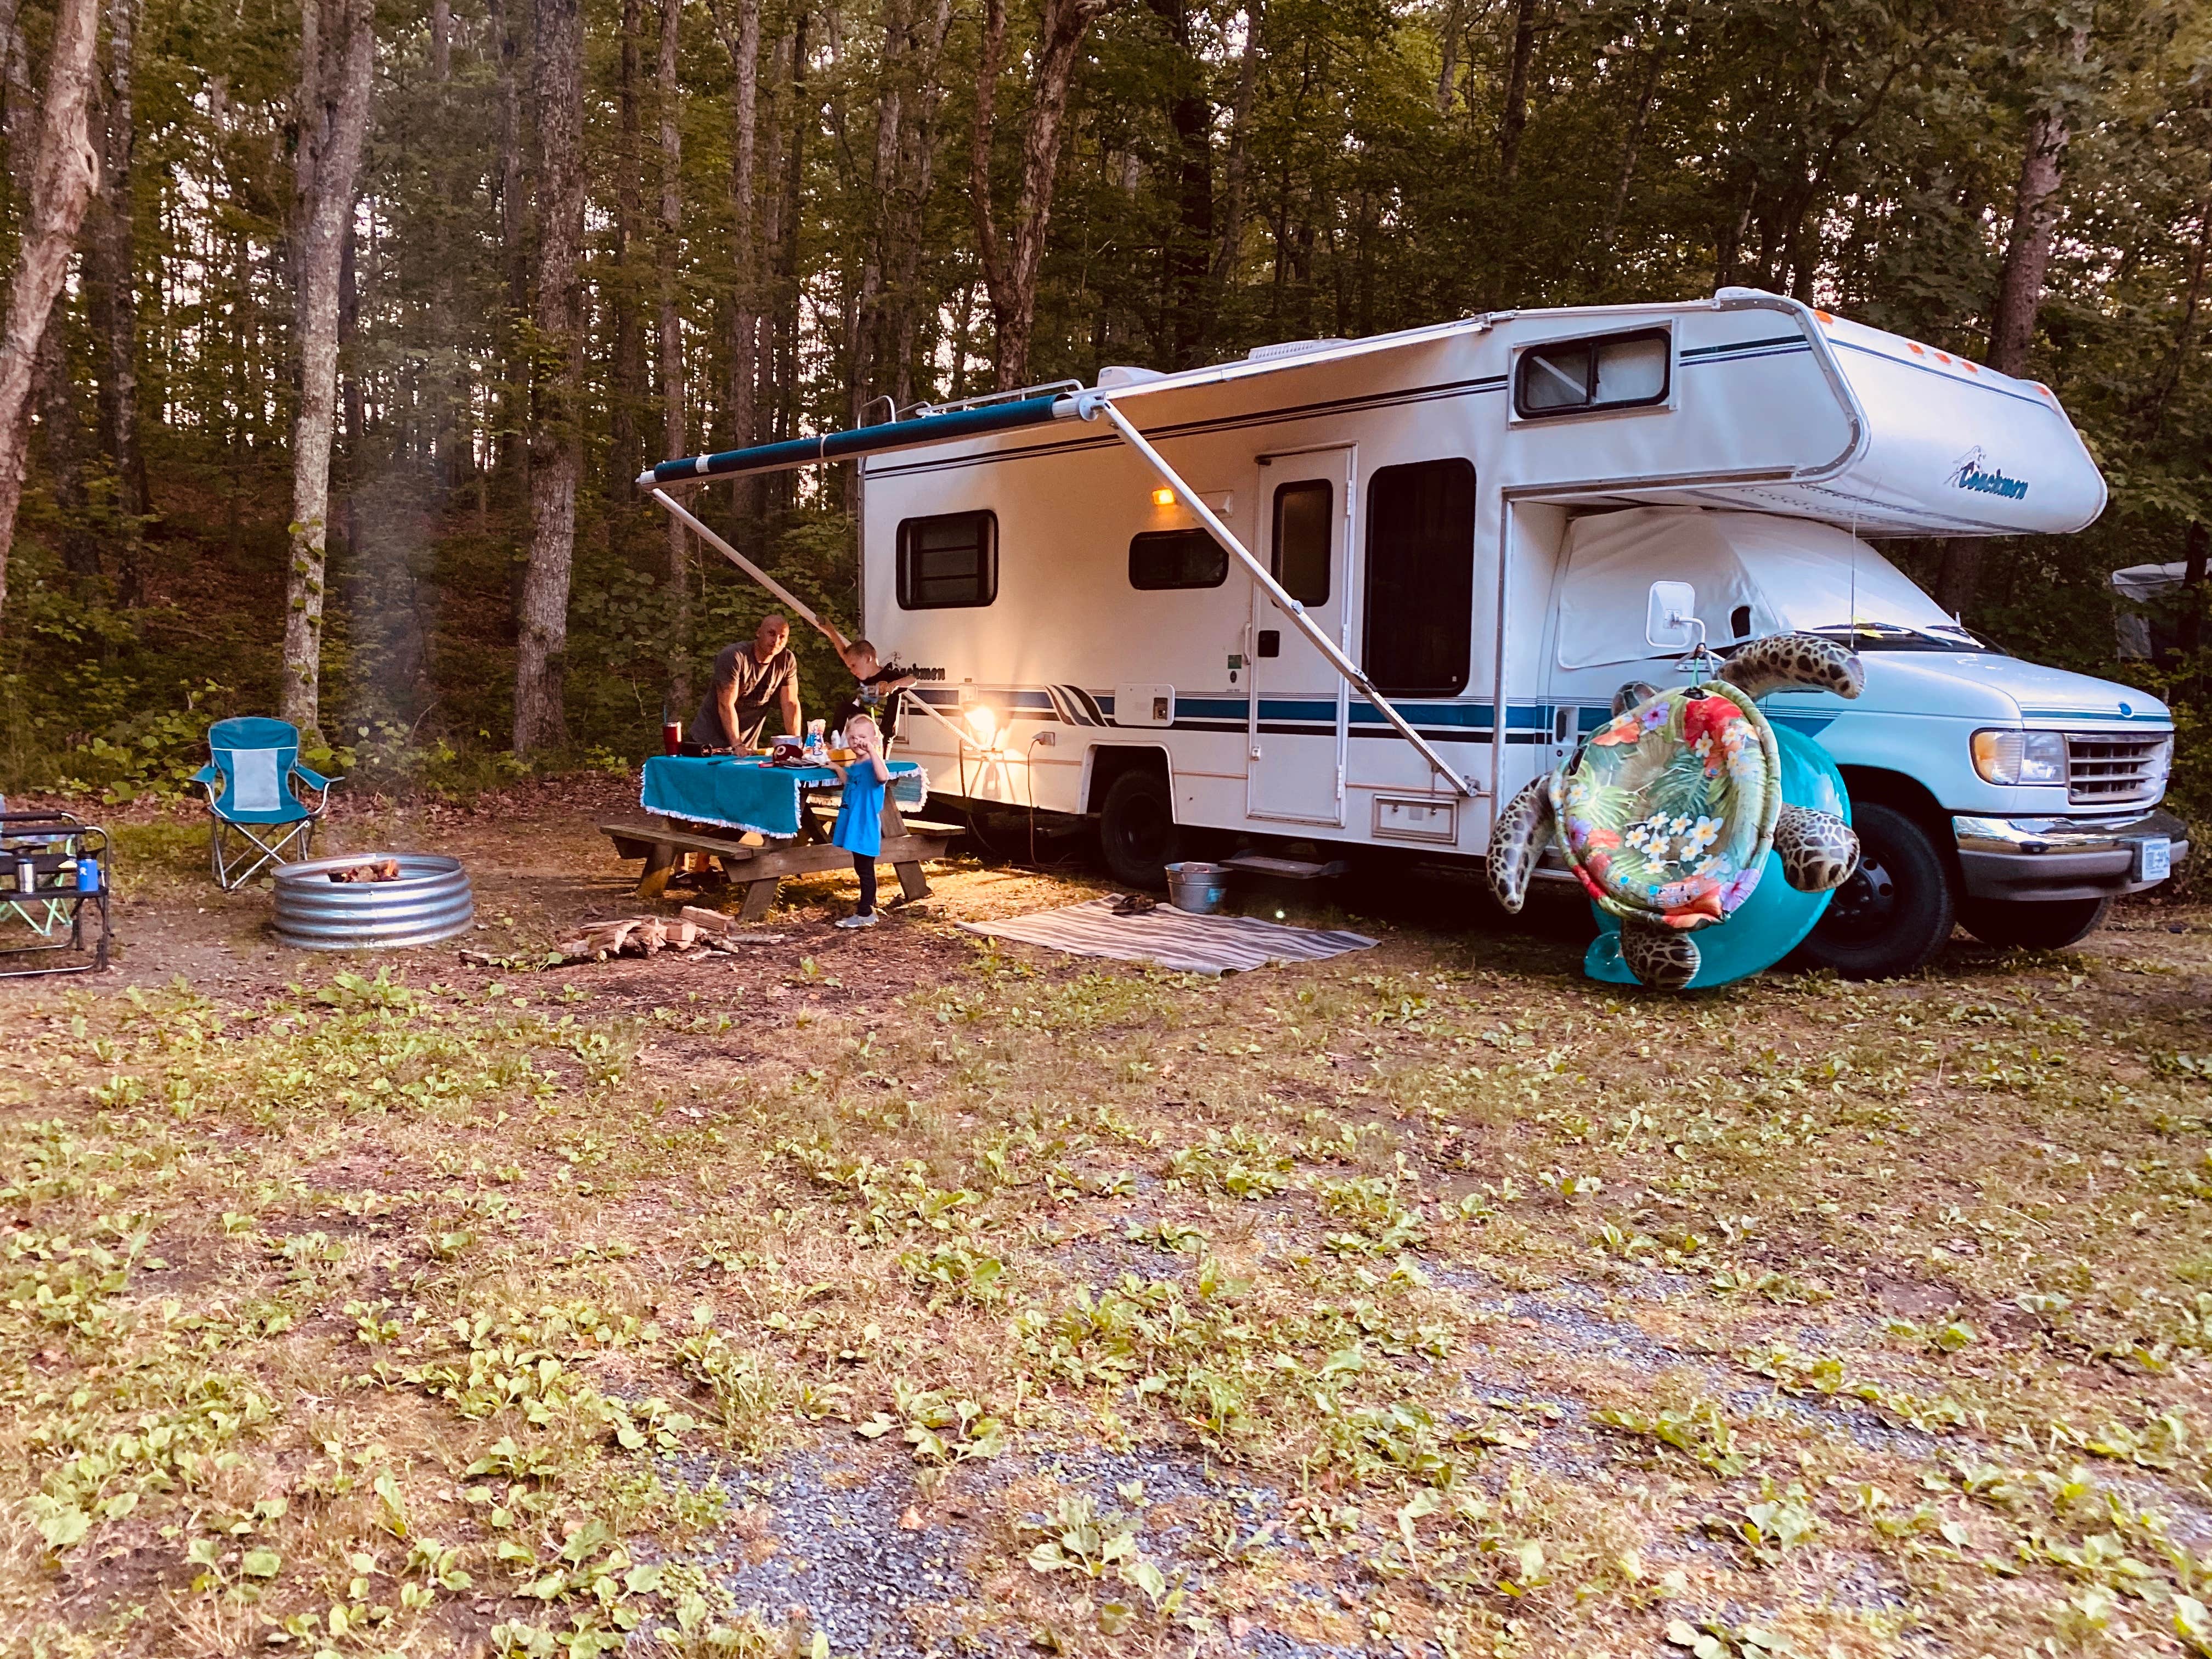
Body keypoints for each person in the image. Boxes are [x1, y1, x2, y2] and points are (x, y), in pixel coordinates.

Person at [691, 614, 802, 752]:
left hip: (748, 748)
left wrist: (796, 745)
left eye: (782, 637)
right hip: (708, 744)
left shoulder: (787, 660)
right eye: (772, 633)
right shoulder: (734, 656)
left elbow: (790, 703)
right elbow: (726, 704)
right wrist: (737, 745)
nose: (776, 641)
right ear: (758, 632)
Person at [825, 713, 893, 929]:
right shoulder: (858, 762)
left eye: (863, 737)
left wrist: (874, 751)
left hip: (865, 824)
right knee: (861, 866)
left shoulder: (874, 762)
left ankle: (865, 914)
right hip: (853, 820)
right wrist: (837, 769)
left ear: (874, 739)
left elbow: (883, 777)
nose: (858, 742)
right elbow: (851, 780)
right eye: (853, 738)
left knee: (865, 870)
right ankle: (869, 906)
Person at [827, 639, 918, 747]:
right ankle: (833, 743)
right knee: (844, 707)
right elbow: (844, 653)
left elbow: (913, 680)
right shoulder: (862, 676)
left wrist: (895, 684)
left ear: (867, 659)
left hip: (883, 730)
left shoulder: (888, 676)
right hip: (866, 722)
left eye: (854, 666)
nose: (852, 671)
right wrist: (831, 631)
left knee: (879, 759)